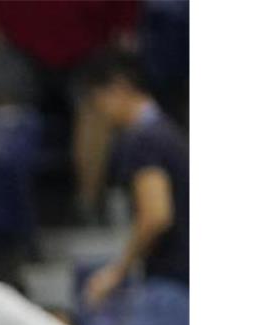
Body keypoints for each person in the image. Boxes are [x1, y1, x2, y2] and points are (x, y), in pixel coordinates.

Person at [81, 47, 189, 307]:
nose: (101, 113)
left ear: (119, 88)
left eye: (99, 100)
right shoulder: (168, 131)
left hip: (171, 281)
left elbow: (156, 215)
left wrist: (118, 271)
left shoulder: (143, 139)